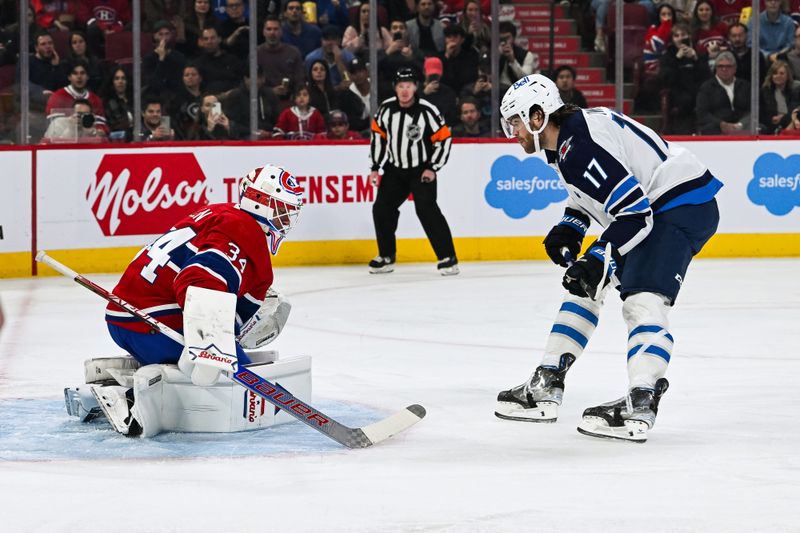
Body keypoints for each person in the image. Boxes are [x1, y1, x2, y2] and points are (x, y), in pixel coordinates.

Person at [495, 74, 721, 442]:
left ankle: (640, 403)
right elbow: (597, 194)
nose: (513, 131)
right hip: (662, 203)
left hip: (678, 205)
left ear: (538, 116)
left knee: (643, 300)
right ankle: (547, 381)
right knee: (585, 285)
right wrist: (572, 223)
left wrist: (600, 253)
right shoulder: (565, 140)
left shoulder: (579, 145)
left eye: (516, 121)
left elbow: (635, 212)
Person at [95, 164, 303, 435]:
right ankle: (132, 394)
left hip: (128, 316)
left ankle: (115, 379)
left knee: (230, 368)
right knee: (240, 385)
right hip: (150, 322)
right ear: (261, 203)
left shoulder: (223, 213)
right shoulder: (246, 232)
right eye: (282, 210)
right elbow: (197, 279)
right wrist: (211, 348)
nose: (286, 220)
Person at [368, 68, 459, 276]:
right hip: (395, 169)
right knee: (382, 208)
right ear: (395, 88)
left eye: (408, 85)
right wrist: (375, 167)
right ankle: (386, 256)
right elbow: (378, 138)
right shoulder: (386, 109)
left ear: (415, 87)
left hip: (421, 169)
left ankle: (448, 257)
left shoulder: (427, 110)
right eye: (401, 86)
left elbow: (444, 138)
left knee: (427, 209)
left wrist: (433, 167)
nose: (405, 90)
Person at [659, 23, 712, 134]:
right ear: (672, 39)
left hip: (699, 94)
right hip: (678, 96)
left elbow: (707, 78)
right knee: (685, 100)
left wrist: (696, 58)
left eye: (683, 34)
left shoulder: (699, 53)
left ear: (689, 36)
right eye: (676, 36)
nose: (680, 38)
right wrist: (677, 59)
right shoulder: (668, 56)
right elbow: (666, 79)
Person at [45, 60, 108, 135]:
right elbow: (54, 128)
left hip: (88, 142)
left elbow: (101, 126)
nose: (79, 77)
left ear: (87, 76)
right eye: (75, 73)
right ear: (69, 77)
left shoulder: (96, 100)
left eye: (82, 73)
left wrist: (98, 131)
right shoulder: (57, 97)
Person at [696, 50, 751, 134]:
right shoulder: (706, 87)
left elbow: (753, 110)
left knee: (759, 127)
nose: (724, 69)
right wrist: (721, 124)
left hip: (743, 126)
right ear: (716, 68)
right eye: (720, 66)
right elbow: (703, 113)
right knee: (709, 129)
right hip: (717, 127)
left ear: (735, 68)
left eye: (728, 66)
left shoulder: (745, 86)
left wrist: (740, 124)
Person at [257, 16, 305, 103]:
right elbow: (250, 84)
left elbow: (300, 80)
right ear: (263, 32)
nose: (272, 32)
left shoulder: (293, 52)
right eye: (269, 29)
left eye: (276, 29)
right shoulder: (255, 54)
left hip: (289, 101)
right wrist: (271, 91)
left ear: (281, 32)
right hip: (262, 101)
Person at [142, 20, 188, 102]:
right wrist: (161, 59)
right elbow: (154, 83)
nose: (164, 38)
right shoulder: (148, 58)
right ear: (154, 35)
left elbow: (180, 81)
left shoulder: (179, 56)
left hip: (177, 96)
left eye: (167, 34)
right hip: (155, 97)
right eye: (160, 34)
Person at [193, 26, 244, 94]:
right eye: (206, 39)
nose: (209, 41)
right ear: (202, 42)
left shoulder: (233, 61)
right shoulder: (197, 64)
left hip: (232, 98)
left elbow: (242, 82)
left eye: (212, 38)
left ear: (219, 39)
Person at [498, 21, 539, 95]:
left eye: (507, 38)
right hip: (497, 92)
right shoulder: (493, 53)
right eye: (501, 39)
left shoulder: (526, 55)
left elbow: (526, 79)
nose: (504, 42)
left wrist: (513, 60)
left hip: (518, 93)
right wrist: (498, 56)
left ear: (513, 38)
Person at [759, 60, 800, 133]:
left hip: (791, 123)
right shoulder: (764, 91)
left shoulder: (795, 90)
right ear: (771, 76)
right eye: (775, 73)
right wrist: (772, 119)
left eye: (781, 73)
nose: (778, 76)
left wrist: (782, 117)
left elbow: (794, 110)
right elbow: (761, 113)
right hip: (770, 126)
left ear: (787, 76)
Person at [101, 66, 133, 141]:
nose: (120, 81)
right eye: (117, 78)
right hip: (117, 141)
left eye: (123, 78)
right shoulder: (107, 103)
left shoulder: (134, 99)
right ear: (112, 81)